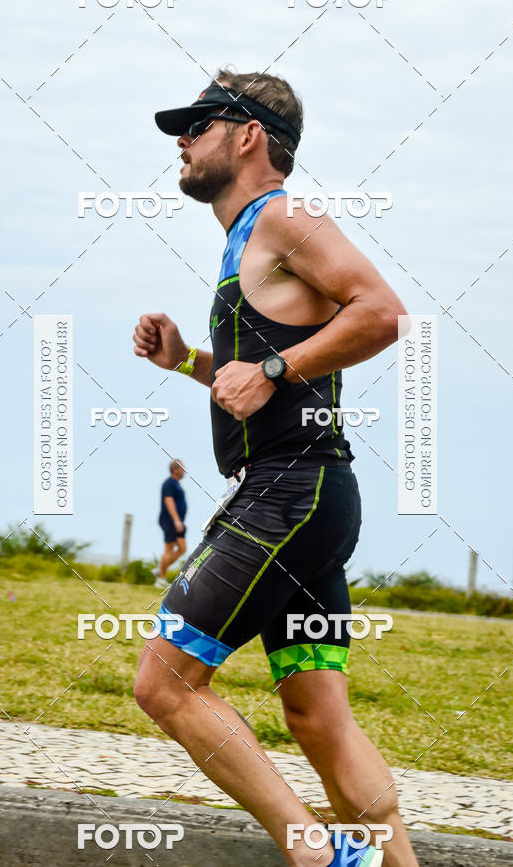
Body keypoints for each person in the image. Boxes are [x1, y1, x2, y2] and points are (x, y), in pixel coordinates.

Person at [133, 68, 419, 867]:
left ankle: (313, 854)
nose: (181, 142)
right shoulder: (246, 241)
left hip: (288, 495)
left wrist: (273, 373)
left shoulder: (282, 217)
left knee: (165, 682)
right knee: (319, 720)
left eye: (198, 124)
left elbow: (384, 311)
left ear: (249, 134)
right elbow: (252, 372)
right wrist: (187, 359)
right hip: (318, 500)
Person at [154, 459, 187, 589]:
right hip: (170, 521)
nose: (184, 471)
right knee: (169, 550)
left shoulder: (177, 484)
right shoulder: (169, 484)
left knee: (182, 548)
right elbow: (169, 502)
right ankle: (160, 579)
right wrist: (176, 520)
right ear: (175, 469)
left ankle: (160, 569)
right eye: (182, 468)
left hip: (177, 522)